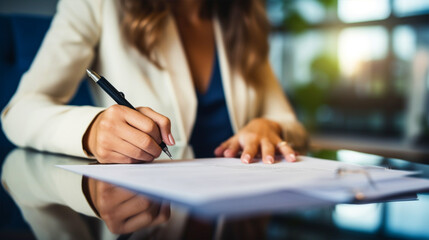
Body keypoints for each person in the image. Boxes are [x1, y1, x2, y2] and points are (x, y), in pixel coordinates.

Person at [1, 0, 307, 236]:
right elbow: (20, 110)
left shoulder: (242, 20)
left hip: (237, 217)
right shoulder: (97, 4)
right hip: (145, 217)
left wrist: (270, 126)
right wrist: (92, 130)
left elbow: (293, 128)